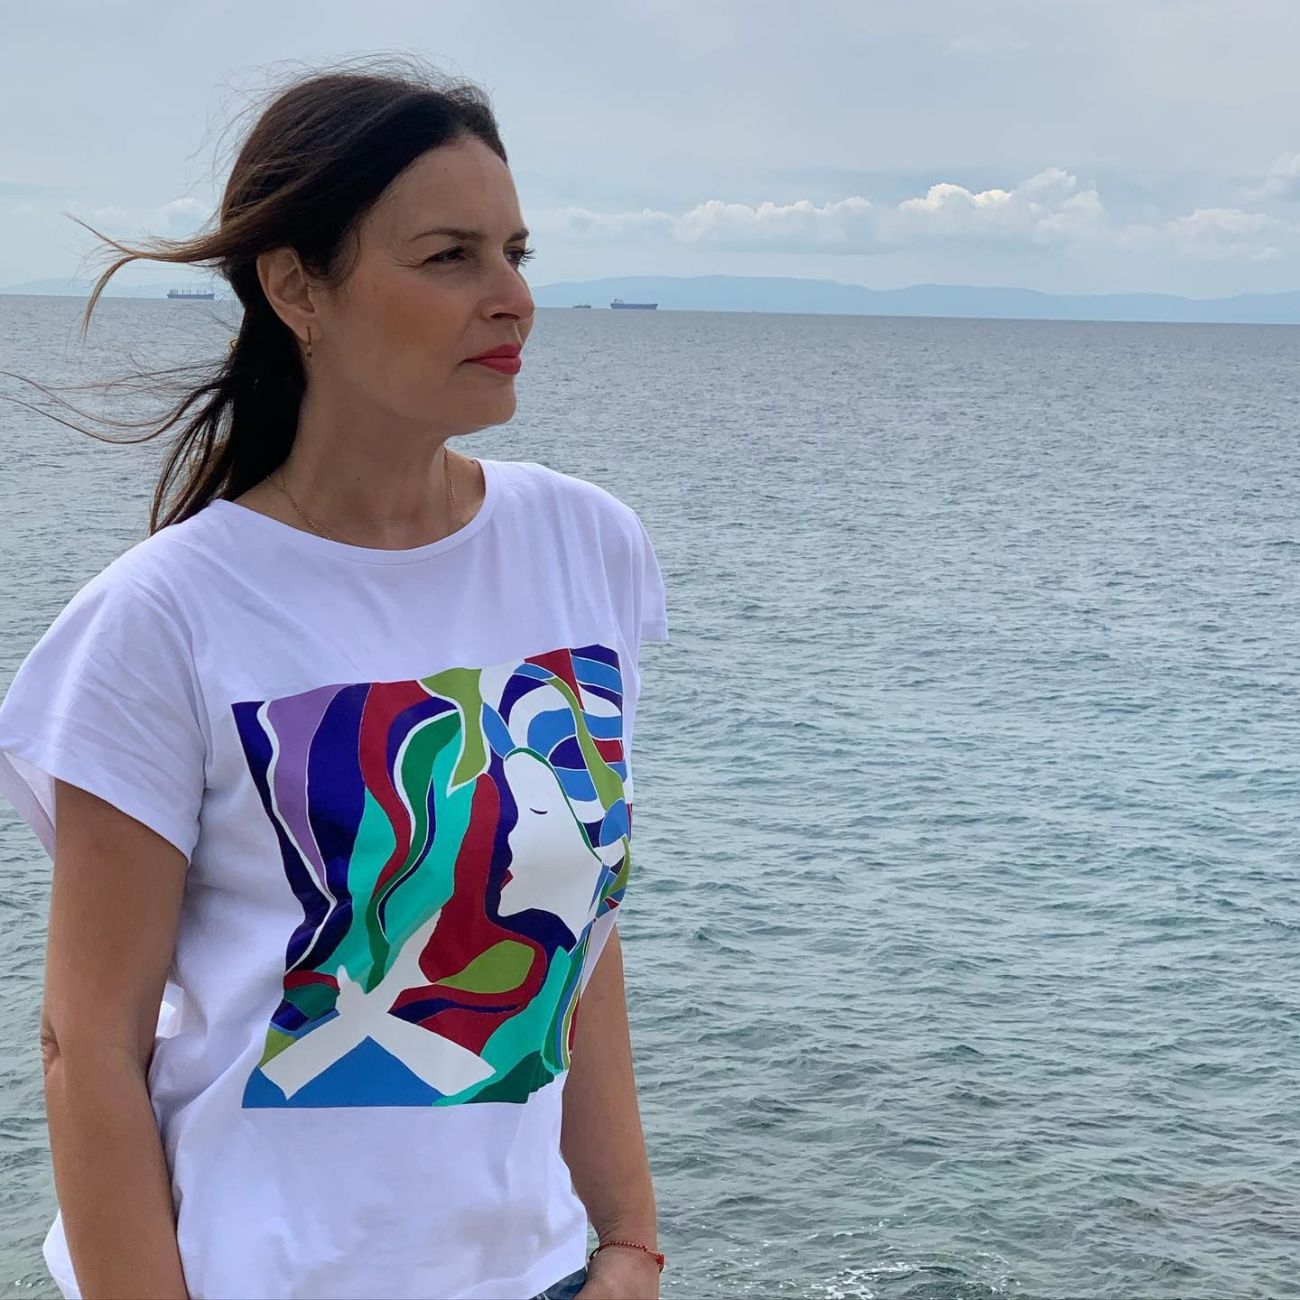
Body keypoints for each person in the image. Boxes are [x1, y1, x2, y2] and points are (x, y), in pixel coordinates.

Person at [0, 57, 669, 1300]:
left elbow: (578, 930)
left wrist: (627, 1238)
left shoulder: (587, 548)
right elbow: (85, 1046)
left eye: (516, 251)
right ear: (297, 287)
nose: (513, 298)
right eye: (450, 256)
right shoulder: (162, 620)